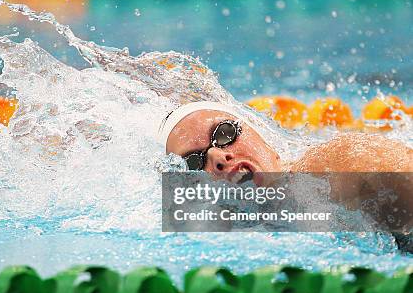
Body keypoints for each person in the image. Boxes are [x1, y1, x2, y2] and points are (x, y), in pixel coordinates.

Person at [158, 101, 413, 246]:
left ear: (265, 140)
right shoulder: (209, 236)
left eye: (224, 133)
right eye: (194, 162)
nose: (216, 158)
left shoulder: (340, 167)